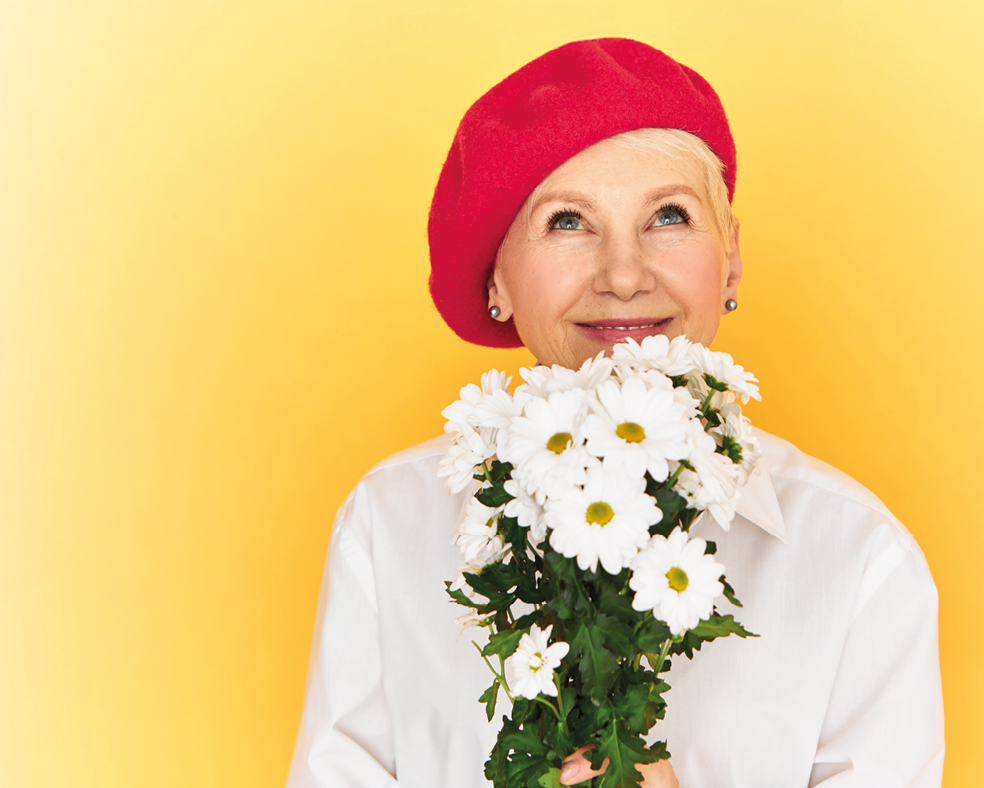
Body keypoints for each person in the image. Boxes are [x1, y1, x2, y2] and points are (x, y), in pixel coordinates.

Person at [287, 38, 944, 788]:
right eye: (567, 222)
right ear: (495, 279)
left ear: (728, 258)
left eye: (668, 215)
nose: (624, 275)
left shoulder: (857, 556)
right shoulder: (388, 526)